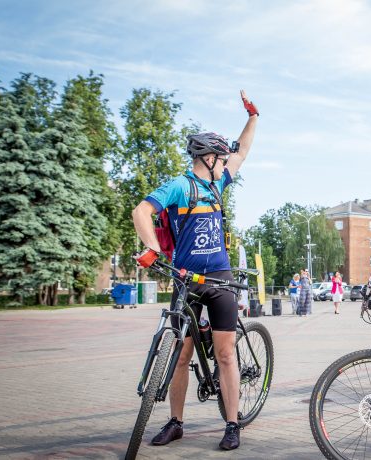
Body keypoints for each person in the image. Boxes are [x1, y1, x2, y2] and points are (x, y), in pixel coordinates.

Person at [131, 90, 259, 450]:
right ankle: (176, 422)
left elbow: (243, 151)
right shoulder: (177, 186)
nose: (226, 162)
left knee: (225, 353)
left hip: (219, 279)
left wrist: (253, 117)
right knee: (181, 354)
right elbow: (141, 212)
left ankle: (232, 424)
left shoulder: (218, 184)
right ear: (209, 158)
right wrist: (153, 249)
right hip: (185, 280)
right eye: (222, 158)